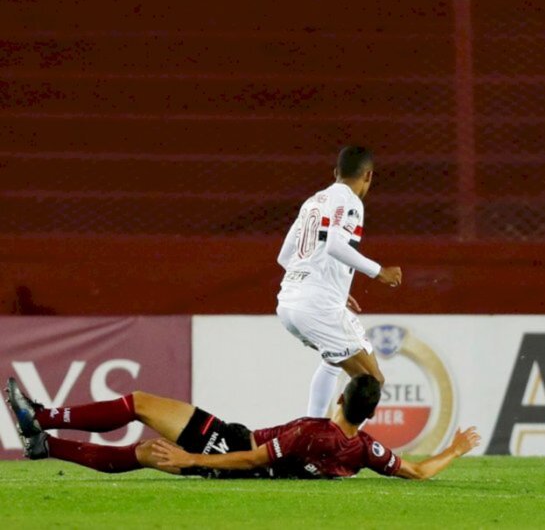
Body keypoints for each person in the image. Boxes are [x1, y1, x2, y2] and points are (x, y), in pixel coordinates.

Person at [5, 375, 479, 480]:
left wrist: (195, 458)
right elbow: (418, 471)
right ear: (369, 415)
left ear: (341, 398)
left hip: (232, 448)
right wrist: (455, 449)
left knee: (141, 407)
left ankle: (42, 420)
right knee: (147, 452)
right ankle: (44, 445)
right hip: (235, 440)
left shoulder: (312, 431)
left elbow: (254, 457)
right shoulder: (364, 449)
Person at [276, 145, 402, 417]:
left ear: (336, 173)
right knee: (372, 382)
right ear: (368, 176)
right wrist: (379, 271)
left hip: (288, 303)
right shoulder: (350, 202)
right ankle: (333, 450)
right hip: (316, 304)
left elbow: (285, 256)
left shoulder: (313, 202)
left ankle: (312, 431)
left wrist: (330, 286)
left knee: (333, 362)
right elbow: (334, 245)